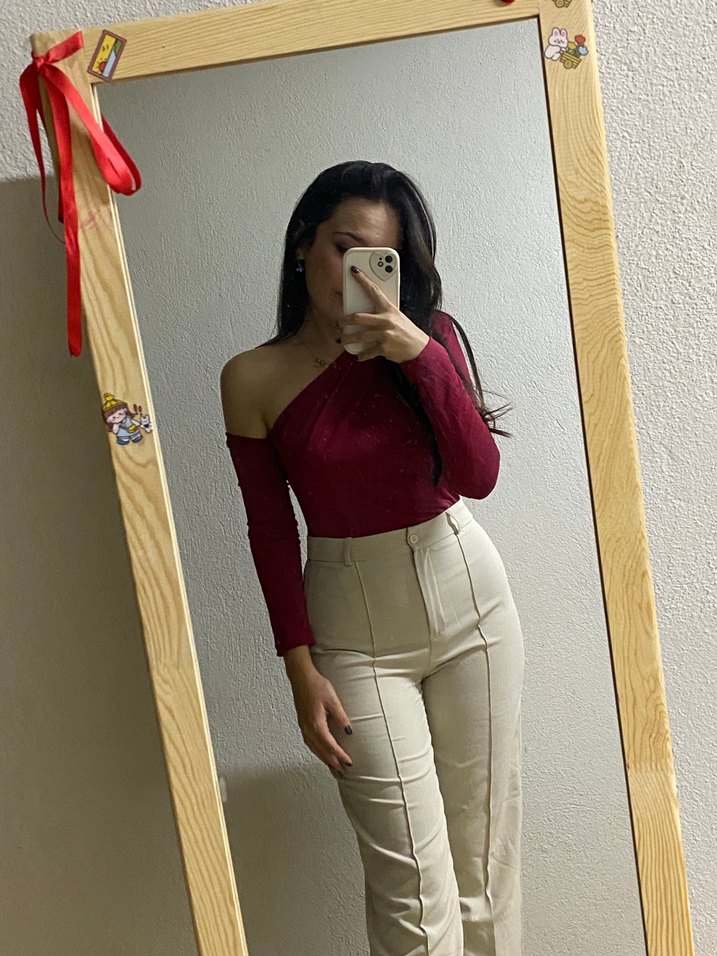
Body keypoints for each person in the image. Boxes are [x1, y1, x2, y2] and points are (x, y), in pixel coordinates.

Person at [221, 160, 525, 956]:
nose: (354, 275)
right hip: (353, 632)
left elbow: (479, 477)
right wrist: (298, 668)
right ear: (302, 243)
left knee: (484, 872)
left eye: (377, 259)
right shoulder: (251, 377)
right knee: (412, 894)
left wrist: (419, 354)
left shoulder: (431, 340)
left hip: (469, 597)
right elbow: (268, 527)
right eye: (342, 248)